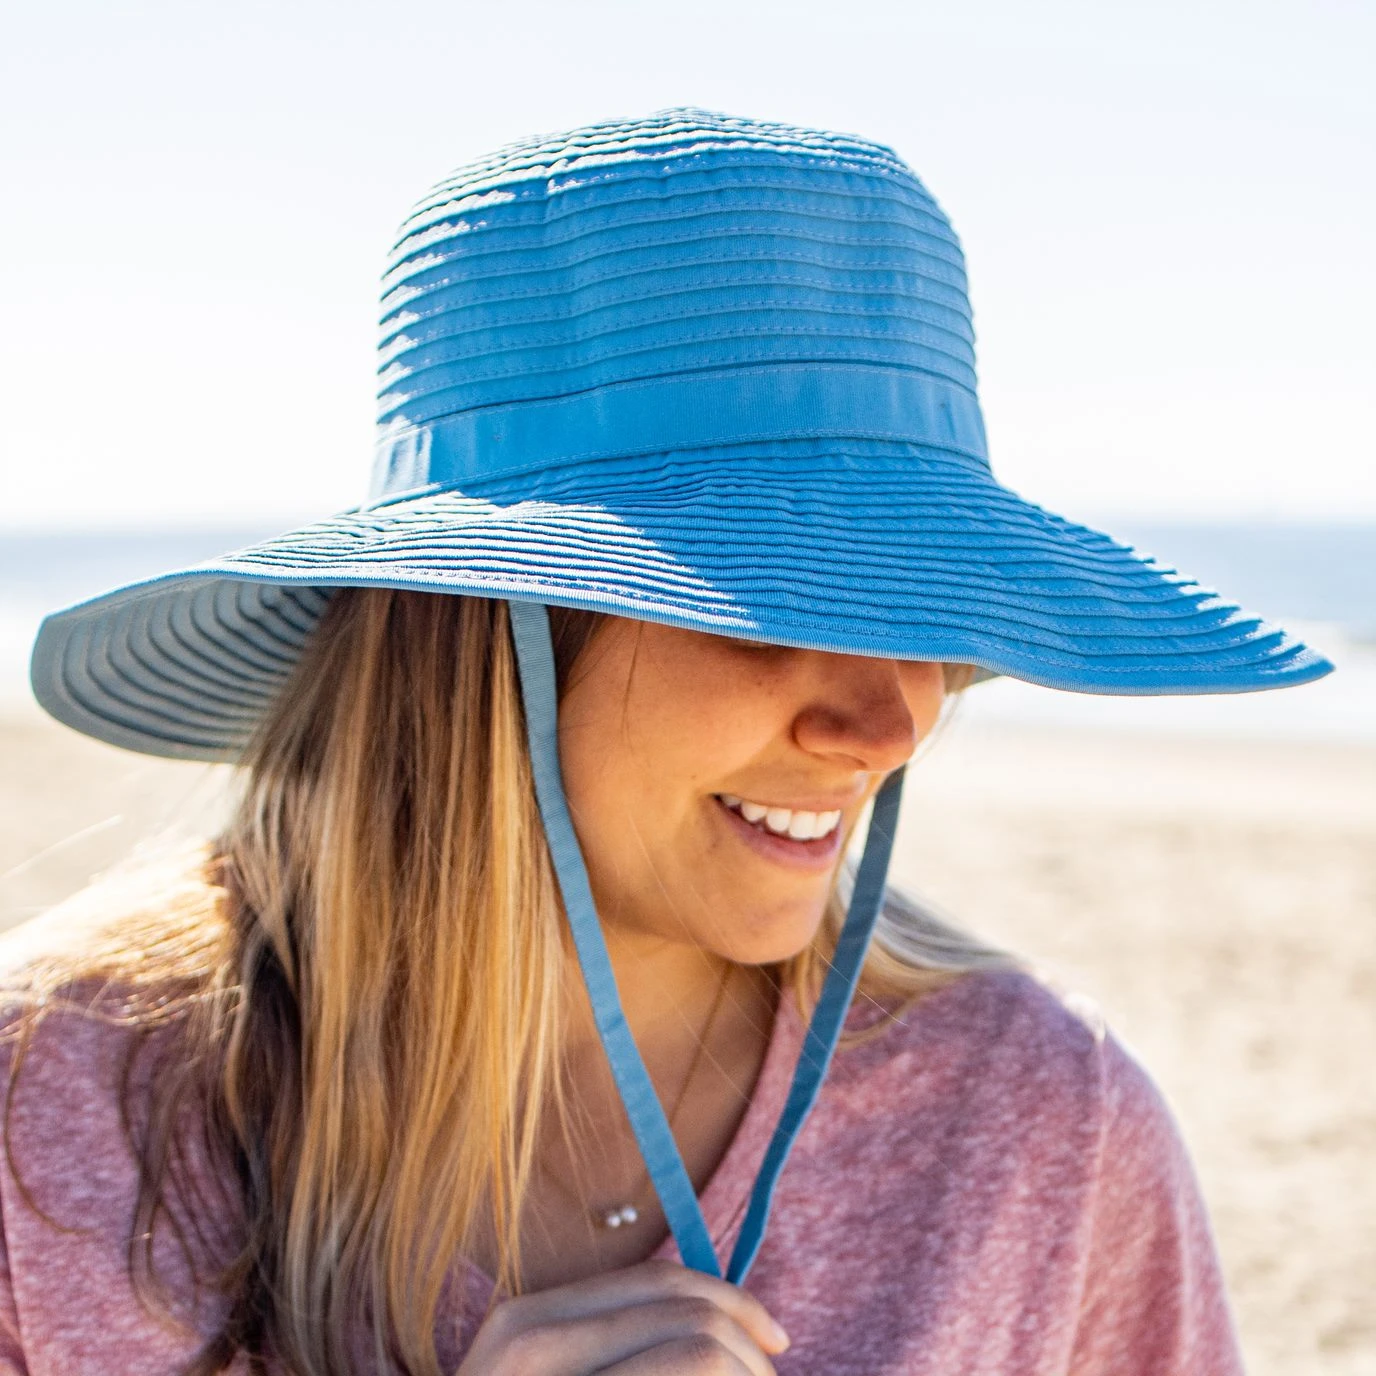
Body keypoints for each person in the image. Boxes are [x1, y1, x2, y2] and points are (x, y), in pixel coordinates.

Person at [0, 109, 1332, 1375]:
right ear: (485, 632)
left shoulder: (1041, 1127)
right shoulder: (51, 1117)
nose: (890, 724)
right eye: (773, 606)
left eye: (924, 611)